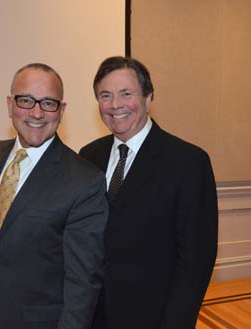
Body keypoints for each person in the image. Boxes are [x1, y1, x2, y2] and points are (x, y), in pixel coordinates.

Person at [79, 56, 218, 329]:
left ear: (148, 97)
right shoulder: (88, 156)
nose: (115, 105)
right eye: (105, 96)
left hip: (152, 318)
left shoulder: (188, 162)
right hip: (92, 316)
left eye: (126, 94)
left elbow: (196, 259)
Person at [0, 63, 109, 329]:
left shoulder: (84, 180)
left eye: (48, 103)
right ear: (10, 105)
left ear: (62, 110)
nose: (36, 112)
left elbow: (83, 280)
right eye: (26, 100)